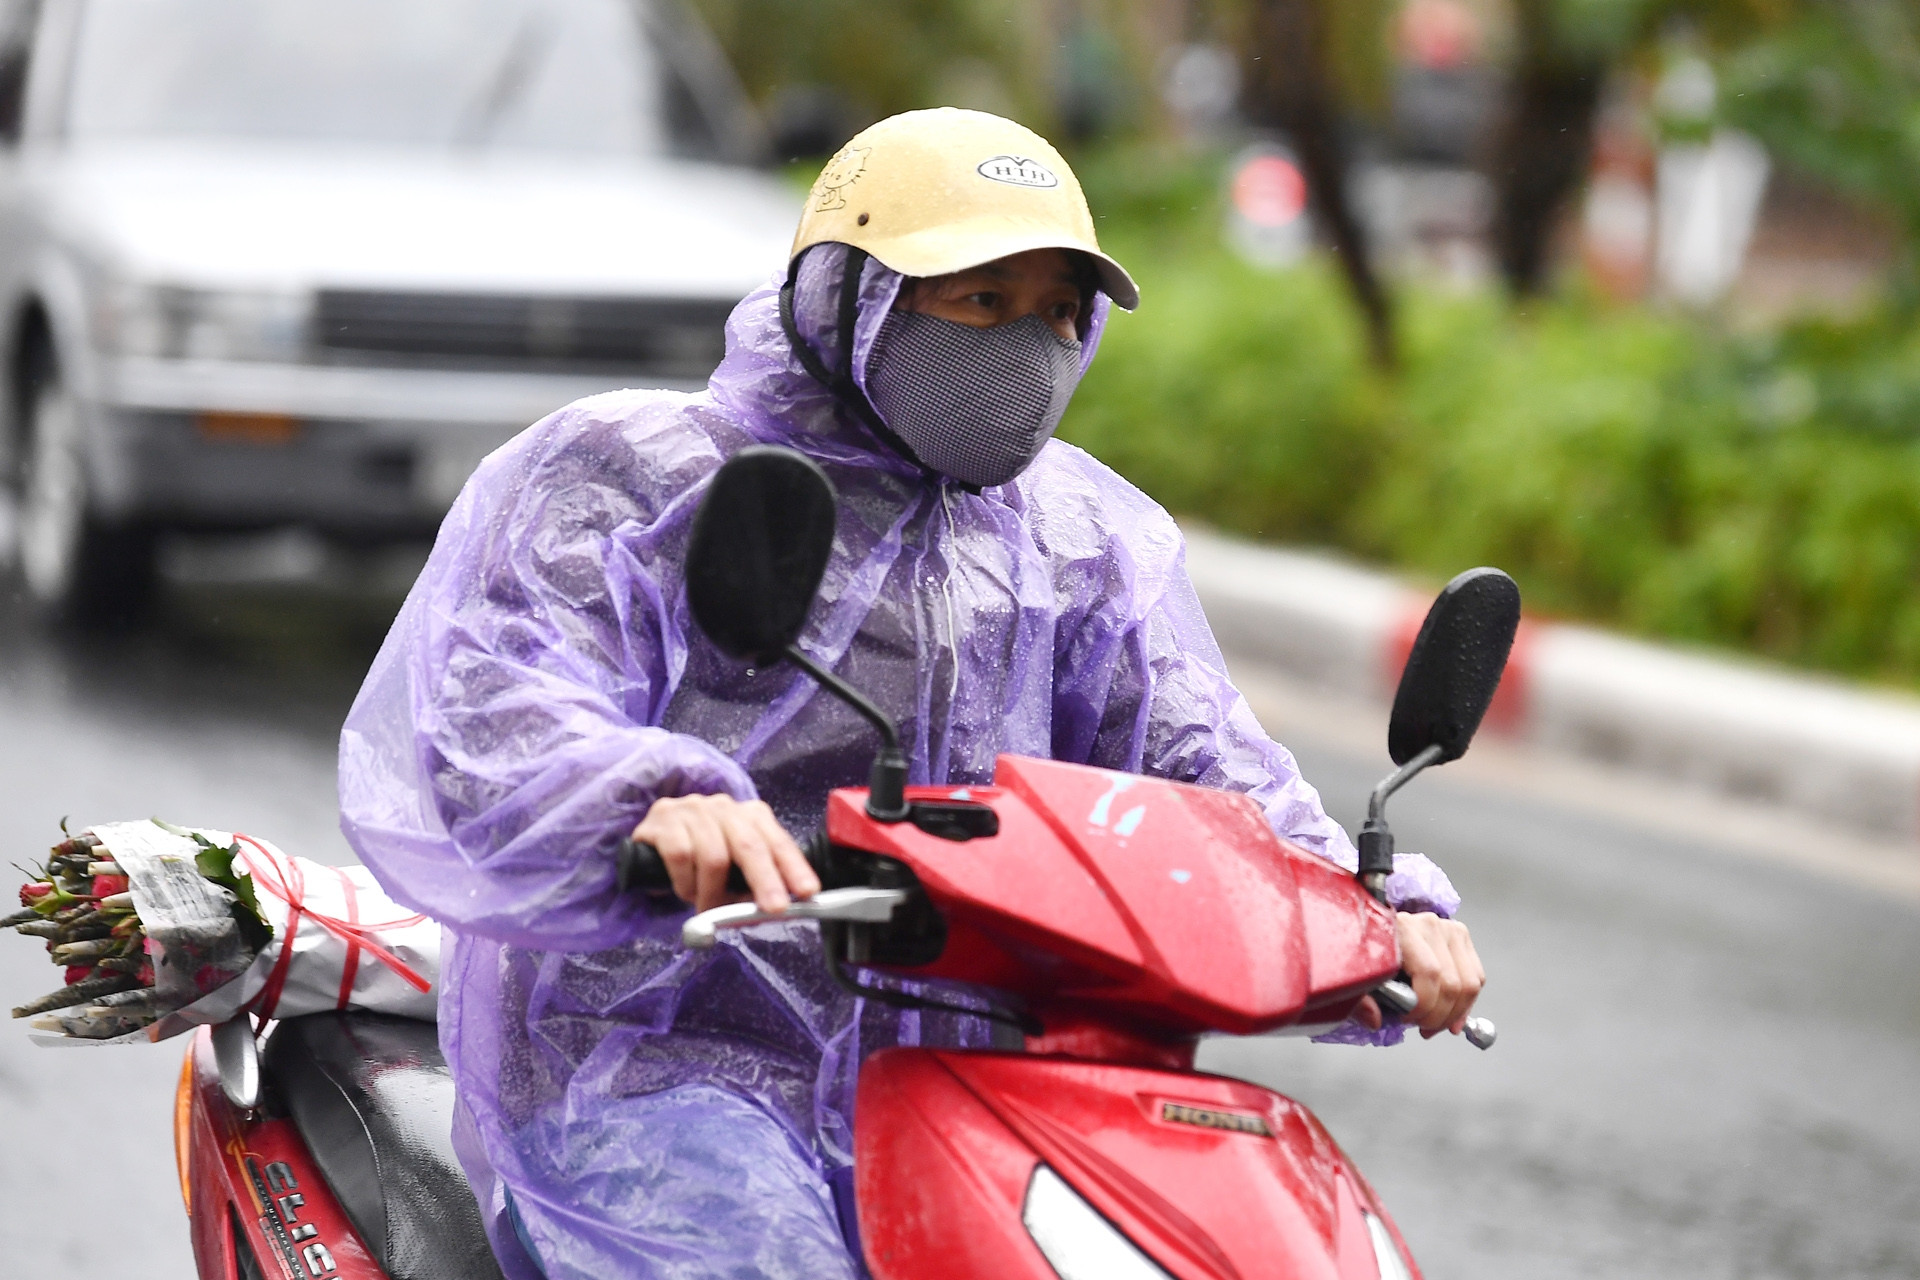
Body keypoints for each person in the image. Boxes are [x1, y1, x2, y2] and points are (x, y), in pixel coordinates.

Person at [339, 108, 1484, 1280]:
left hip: (980, 1085)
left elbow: (1206, 769)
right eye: (980, 300)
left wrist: (1366, 905)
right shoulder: (635, 476)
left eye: (1057, 313)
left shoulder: (1084, 544)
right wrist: (646, 798)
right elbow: (501, 702)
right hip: (653, 1067)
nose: (1024, 347)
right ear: (847, 298)